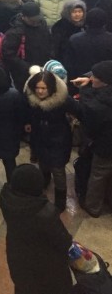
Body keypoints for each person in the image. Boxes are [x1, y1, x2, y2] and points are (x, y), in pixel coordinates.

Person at [0, 164, 73, 294]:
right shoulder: (45, 213)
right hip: (46, 270)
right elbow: (65, 241)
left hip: (18, 260)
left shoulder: (7, 200)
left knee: (23, 287)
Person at [24, 69, 79, 211]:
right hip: (39, 138)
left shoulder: (63, 100)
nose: (40, 91)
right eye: (37, 87)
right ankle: (44, 182)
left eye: (44, 88)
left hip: (58, 140)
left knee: (58, 170)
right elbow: (28, 113)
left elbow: (80, 112)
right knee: (43, 164)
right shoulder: (31, 98)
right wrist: (28, 123)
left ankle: (60, 202)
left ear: (51, 87)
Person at [73, 60, 112, 218]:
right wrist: (89, 82)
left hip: (105, 146)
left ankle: (93, 207)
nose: (91, 78)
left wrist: (84, 88)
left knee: (98, 175)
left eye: (95, 77)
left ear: (105, 82)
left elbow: (88, 115)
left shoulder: (101, 104)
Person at [2, 1, 52, 91]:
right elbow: (8, 54)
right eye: (32, 21)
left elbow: (49, 41)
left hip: (42, 65)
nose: (35, 23)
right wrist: (27, 67)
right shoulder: (15, 32)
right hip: (23, 71)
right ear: (23, 17)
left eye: (37, 19)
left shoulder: (42, 23)